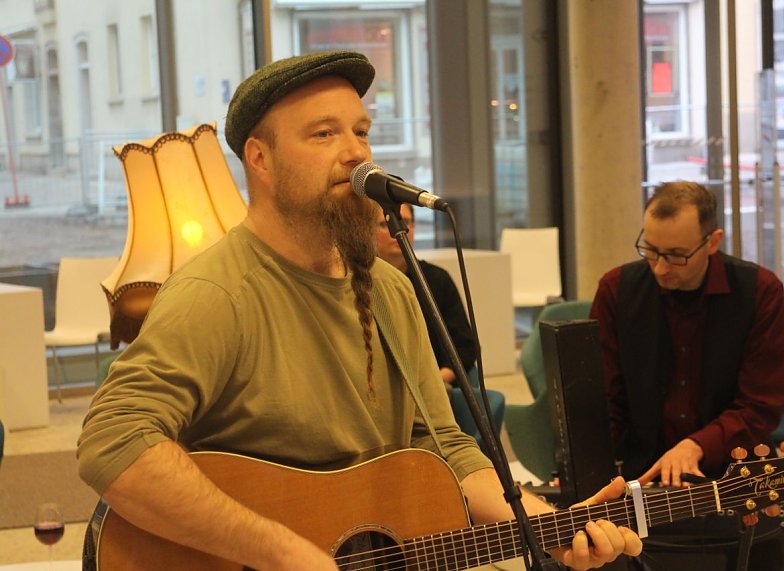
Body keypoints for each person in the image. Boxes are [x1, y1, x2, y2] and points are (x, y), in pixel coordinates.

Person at [77, 51, 641, 570]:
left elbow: (443, 445)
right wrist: (281, 551)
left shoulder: (390, 290)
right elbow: (114, 442)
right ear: (260, 158)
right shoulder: (217, 293)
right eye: (324, 134)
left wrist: (546, 524)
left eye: (361, 131)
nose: (356, 153)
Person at [590, 181, 784, 569]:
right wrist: (590, 468)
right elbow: (605, 400)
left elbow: (760, 407)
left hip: (735, 473)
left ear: (713, 241)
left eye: (677, 255)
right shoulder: (616, 290)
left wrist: (695, 445)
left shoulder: (760, 291)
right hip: (642, 474)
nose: (660, 267)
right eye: (651, 250)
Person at [374, 203, 476, 387]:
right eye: (385, 223)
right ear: (367, 230)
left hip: (437, 384)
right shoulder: (359, 282)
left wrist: (436, 382)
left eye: (405, 222)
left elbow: (465, 346)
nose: (397, 229)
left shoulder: (436, 279)